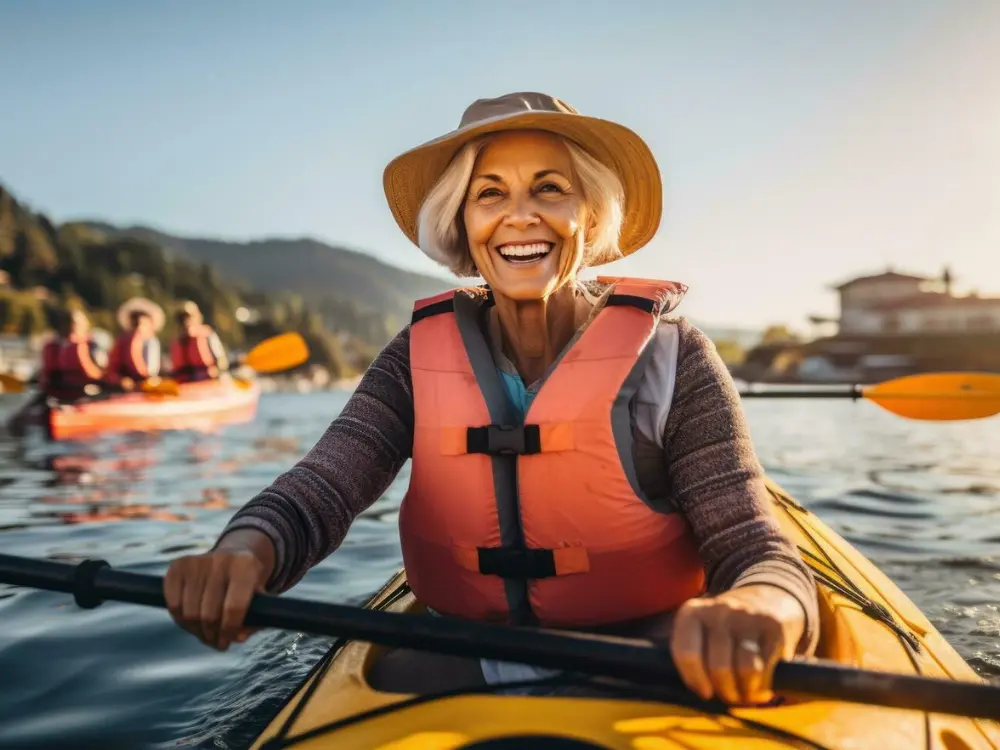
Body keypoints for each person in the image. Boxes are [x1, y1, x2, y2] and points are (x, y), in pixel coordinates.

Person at [164, 92, 819, 706]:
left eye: (550, 189)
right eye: (490, 194)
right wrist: (243, 550)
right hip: (468, 650)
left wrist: (760, 605)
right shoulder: (413, 358)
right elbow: (324, 486)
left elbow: (757, 551)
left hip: (647, 651)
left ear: (589, 216)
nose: (520, 214)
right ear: (463, 224)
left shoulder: (675, 357)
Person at [107, 297, 164, 390]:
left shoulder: (151, 342)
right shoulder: (122, 341)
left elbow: (150, 372)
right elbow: (112, 369)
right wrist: (121, 380)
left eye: (142, 323)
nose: (138, 327)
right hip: (123, 387)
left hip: (145, 384)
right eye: (135, 323)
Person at [169, 301, 228, 383]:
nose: (186, 322)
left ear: (198, 318)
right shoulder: (177, 342)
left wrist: (216, 371)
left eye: (189, 317)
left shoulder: (208, 336)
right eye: (182, 319)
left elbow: (221, 361)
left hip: (209, 381)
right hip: (186, 384)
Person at [57, 308, 107, 398]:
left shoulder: (60, 345)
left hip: (70, 388)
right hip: (84, 389)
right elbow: (93, 369)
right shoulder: (84, 344)